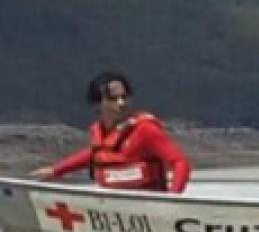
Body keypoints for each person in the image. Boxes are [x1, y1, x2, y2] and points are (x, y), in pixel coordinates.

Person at [32, 71, 191, 193]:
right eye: (113, 99)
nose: (121, 103)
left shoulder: (145, 129)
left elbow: (179, 162)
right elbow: (94, 154)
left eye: (125, 97)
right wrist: (56, 170)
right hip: (113, 206)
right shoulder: (99, 132)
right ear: (98, 103)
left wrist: (172, 200)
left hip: (148, 207)